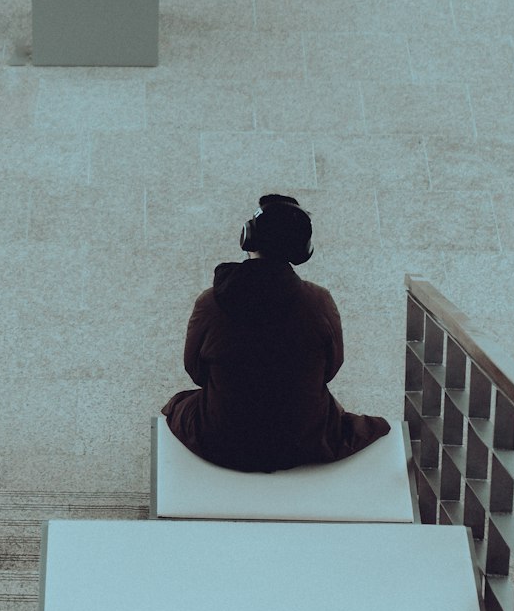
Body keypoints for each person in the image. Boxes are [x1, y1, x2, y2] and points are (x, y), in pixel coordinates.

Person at [161, 195, 391, 472]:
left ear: (247, 236)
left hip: (223, 442)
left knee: (180, 404)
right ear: (302, 250)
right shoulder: (319, 301)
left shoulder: (210, 303)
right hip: (302, 440)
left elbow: (196, 371)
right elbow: (331, 367)